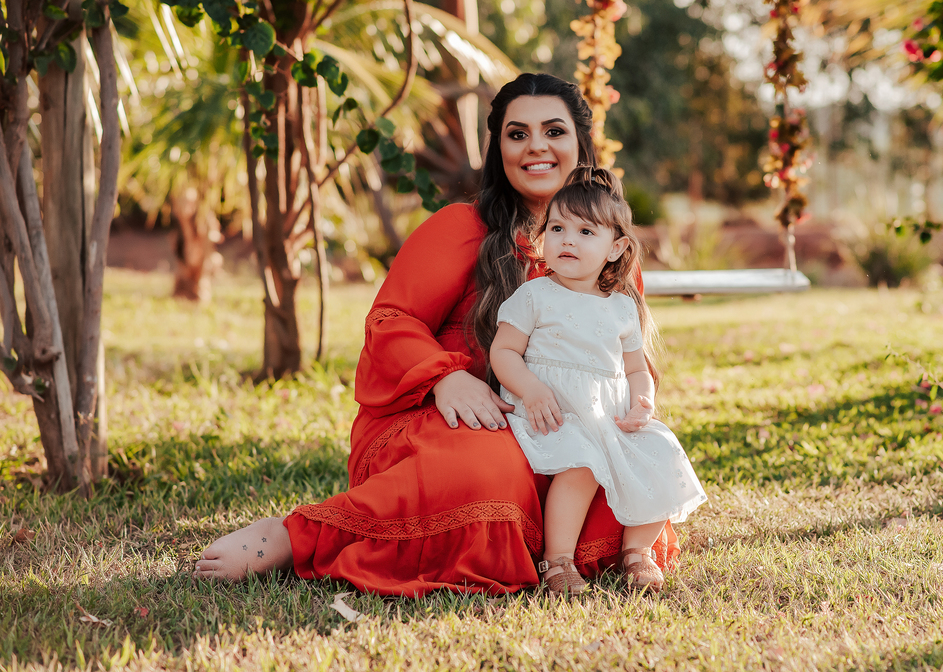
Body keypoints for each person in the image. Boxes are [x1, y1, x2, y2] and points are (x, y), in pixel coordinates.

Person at [193, 73, 680, 595]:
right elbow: (391, 320)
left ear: (581, 143)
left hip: (568, 425)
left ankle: (583, 552)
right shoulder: (460, 227)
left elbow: (625, 357)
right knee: (492, 473)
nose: (536, 146)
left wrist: (636, 408)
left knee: (627, 472)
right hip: (449, 419)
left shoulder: (611, 258)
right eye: (518, 134)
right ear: (499, 150)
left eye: (553, 131)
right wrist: (447, 379)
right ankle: (299, 537)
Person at [491, 167, 706, 594]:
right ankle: (557, 561)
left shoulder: (621, 307)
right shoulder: (535, 295)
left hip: (608, 416)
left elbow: (636, 369)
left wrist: (643, 400)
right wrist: (531, 389)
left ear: (616, 247)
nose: (567, 240)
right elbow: (504, 352)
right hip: (553, 412)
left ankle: (637, 552)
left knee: (661, 451)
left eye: (585, 231)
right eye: (557, 228)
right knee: (582, 463)